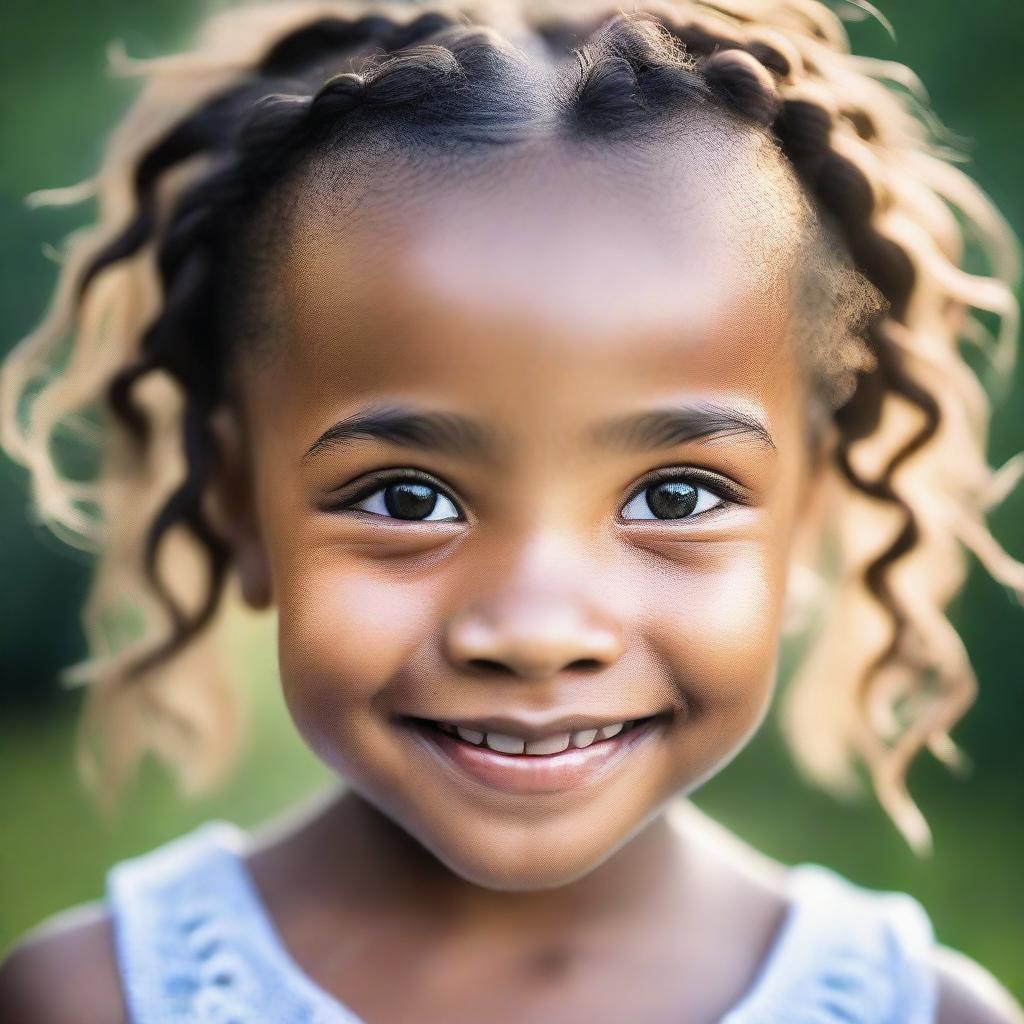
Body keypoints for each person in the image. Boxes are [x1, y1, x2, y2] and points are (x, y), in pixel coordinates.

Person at [1, 0, 1022, 1020]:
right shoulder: (95, 999)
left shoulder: (919, 1011)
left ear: (810, 513)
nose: (537, 631)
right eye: (408, 498)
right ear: (238, 506)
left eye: (676, 496)